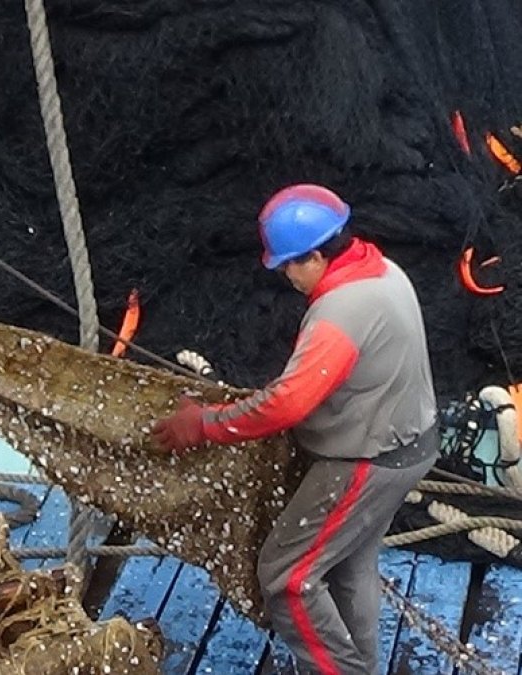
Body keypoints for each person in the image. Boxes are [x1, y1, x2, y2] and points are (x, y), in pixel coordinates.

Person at [151, 183, 438, 675]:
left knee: (287, 575)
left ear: (316, 255)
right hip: (411, 446)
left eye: (288, 263)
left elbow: (287, 404)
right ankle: (360, 666)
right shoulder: (385, 271)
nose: (284, 274)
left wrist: (203, 424)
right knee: (351, 565)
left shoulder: (341, 312)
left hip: (367, 462)